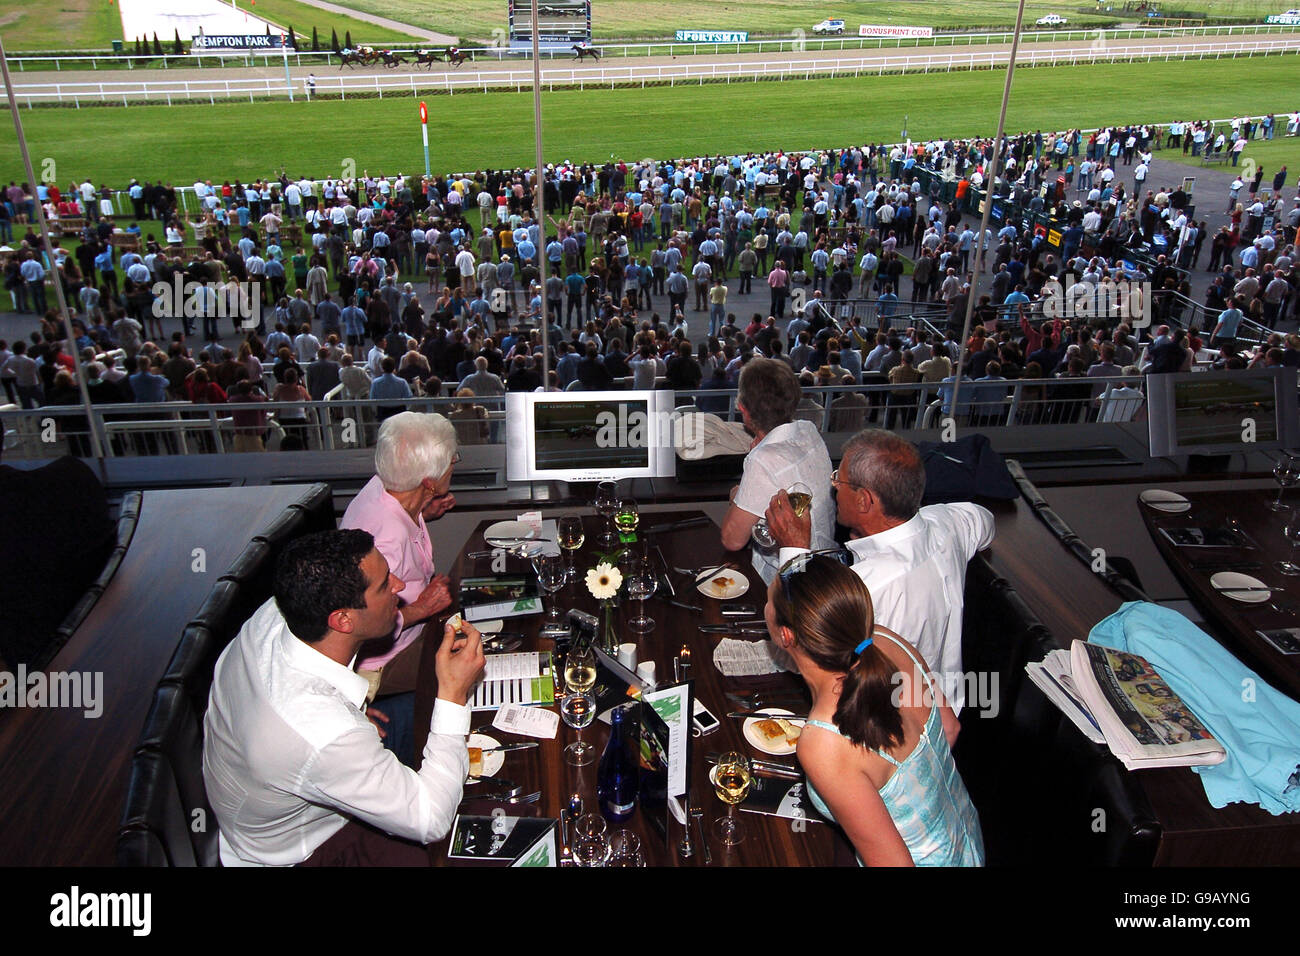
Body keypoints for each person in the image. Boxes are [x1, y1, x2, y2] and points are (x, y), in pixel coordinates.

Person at [202, 528, 485, 866]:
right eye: (383, 585)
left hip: (286, 781)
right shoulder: (321, 732)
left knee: (441, 717)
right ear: (343, 620)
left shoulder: (280, 611)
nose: (398, 584)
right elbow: (431, 820)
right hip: (301, 848)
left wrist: (346, 714)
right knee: (473, 844)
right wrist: (453, 692)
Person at [766, 553, 983, 866]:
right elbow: (949, 728)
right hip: (965, 838)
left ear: (786, 636)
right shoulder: (884, 639)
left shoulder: (822, 743)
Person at [766, 429, 994, 712]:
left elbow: (792, 647)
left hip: (881, 723)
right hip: (943, 711)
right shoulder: (947, 525)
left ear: (864, 500)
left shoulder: (866, 586)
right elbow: (984, 520)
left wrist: (794, 549)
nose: (834, 484)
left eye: (840, 479)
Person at [340, 412, 458, 712]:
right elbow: (360, 626)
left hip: (407, 636)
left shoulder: (386, 487)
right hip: (383, 661)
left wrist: (422, 512)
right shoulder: (386, 538)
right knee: (472, 662)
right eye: (452, 460)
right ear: (429, 482)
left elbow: (397, 517)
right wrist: (423, 607)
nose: (454, 464)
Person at [720, 357, 834, 584]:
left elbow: (731, 539)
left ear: (743, 409)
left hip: (782, 583)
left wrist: (736, 496)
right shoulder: (809, 431)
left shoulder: (763, 460)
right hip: (824, 568)